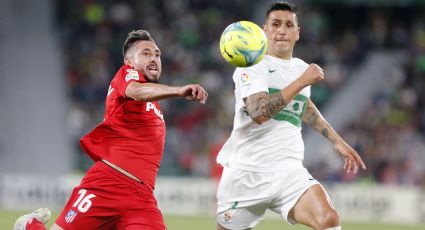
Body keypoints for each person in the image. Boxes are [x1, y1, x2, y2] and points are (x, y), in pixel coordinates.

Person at [14, 29, 208, 230]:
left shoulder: (155, 105)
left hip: (142, 199)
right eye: (146, 53)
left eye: (157, 54)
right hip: (106, 185)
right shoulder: (127, 76)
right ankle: (30, 226)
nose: (154, 59)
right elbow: (137, 91)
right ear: (129, 61)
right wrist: (178, 90)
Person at [216, 2, 366, 230]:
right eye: (275, 24)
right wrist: (302, 81)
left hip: (288, 171)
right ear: (264, 30)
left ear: (297, 33)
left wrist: (338, 142)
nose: (282, 30)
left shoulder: (300, 68)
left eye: (288, 25)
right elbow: (259, 112)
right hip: (246, 174)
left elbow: (304, 107)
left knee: (328, 219)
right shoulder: (251, 65)